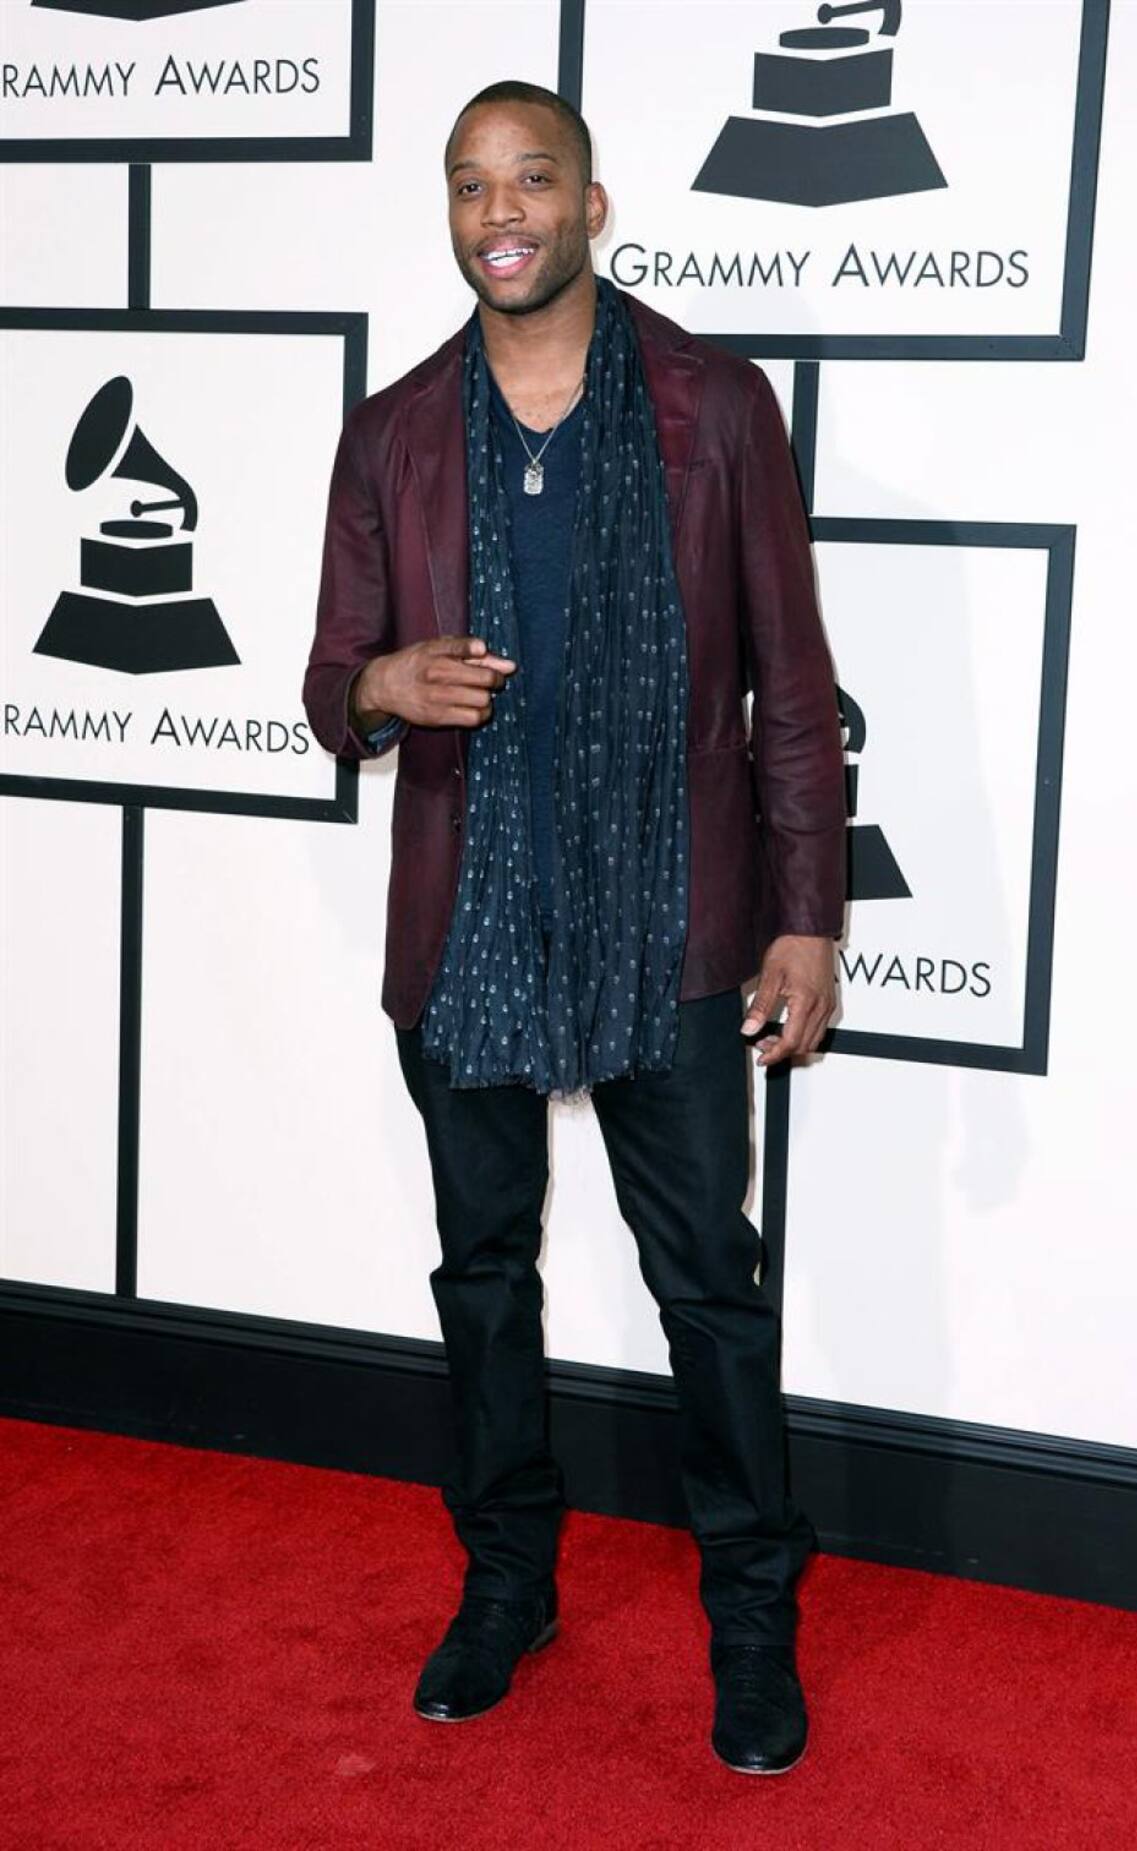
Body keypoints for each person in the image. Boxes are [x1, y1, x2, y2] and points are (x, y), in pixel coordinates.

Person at [302, 78, 846, 1775]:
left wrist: (806, 916)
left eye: (532, 179)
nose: (502, 213)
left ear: (591, 205)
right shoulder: (395, 430)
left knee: (710, 1289)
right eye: (472, 186)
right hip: (469, 915)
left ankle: (750, 1618)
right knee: (483, 1279)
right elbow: (330, 685)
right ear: (452, 214)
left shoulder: (715, 405)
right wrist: (382, 686)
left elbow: (791, 682)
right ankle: (506, 1587)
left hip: (670, 919)